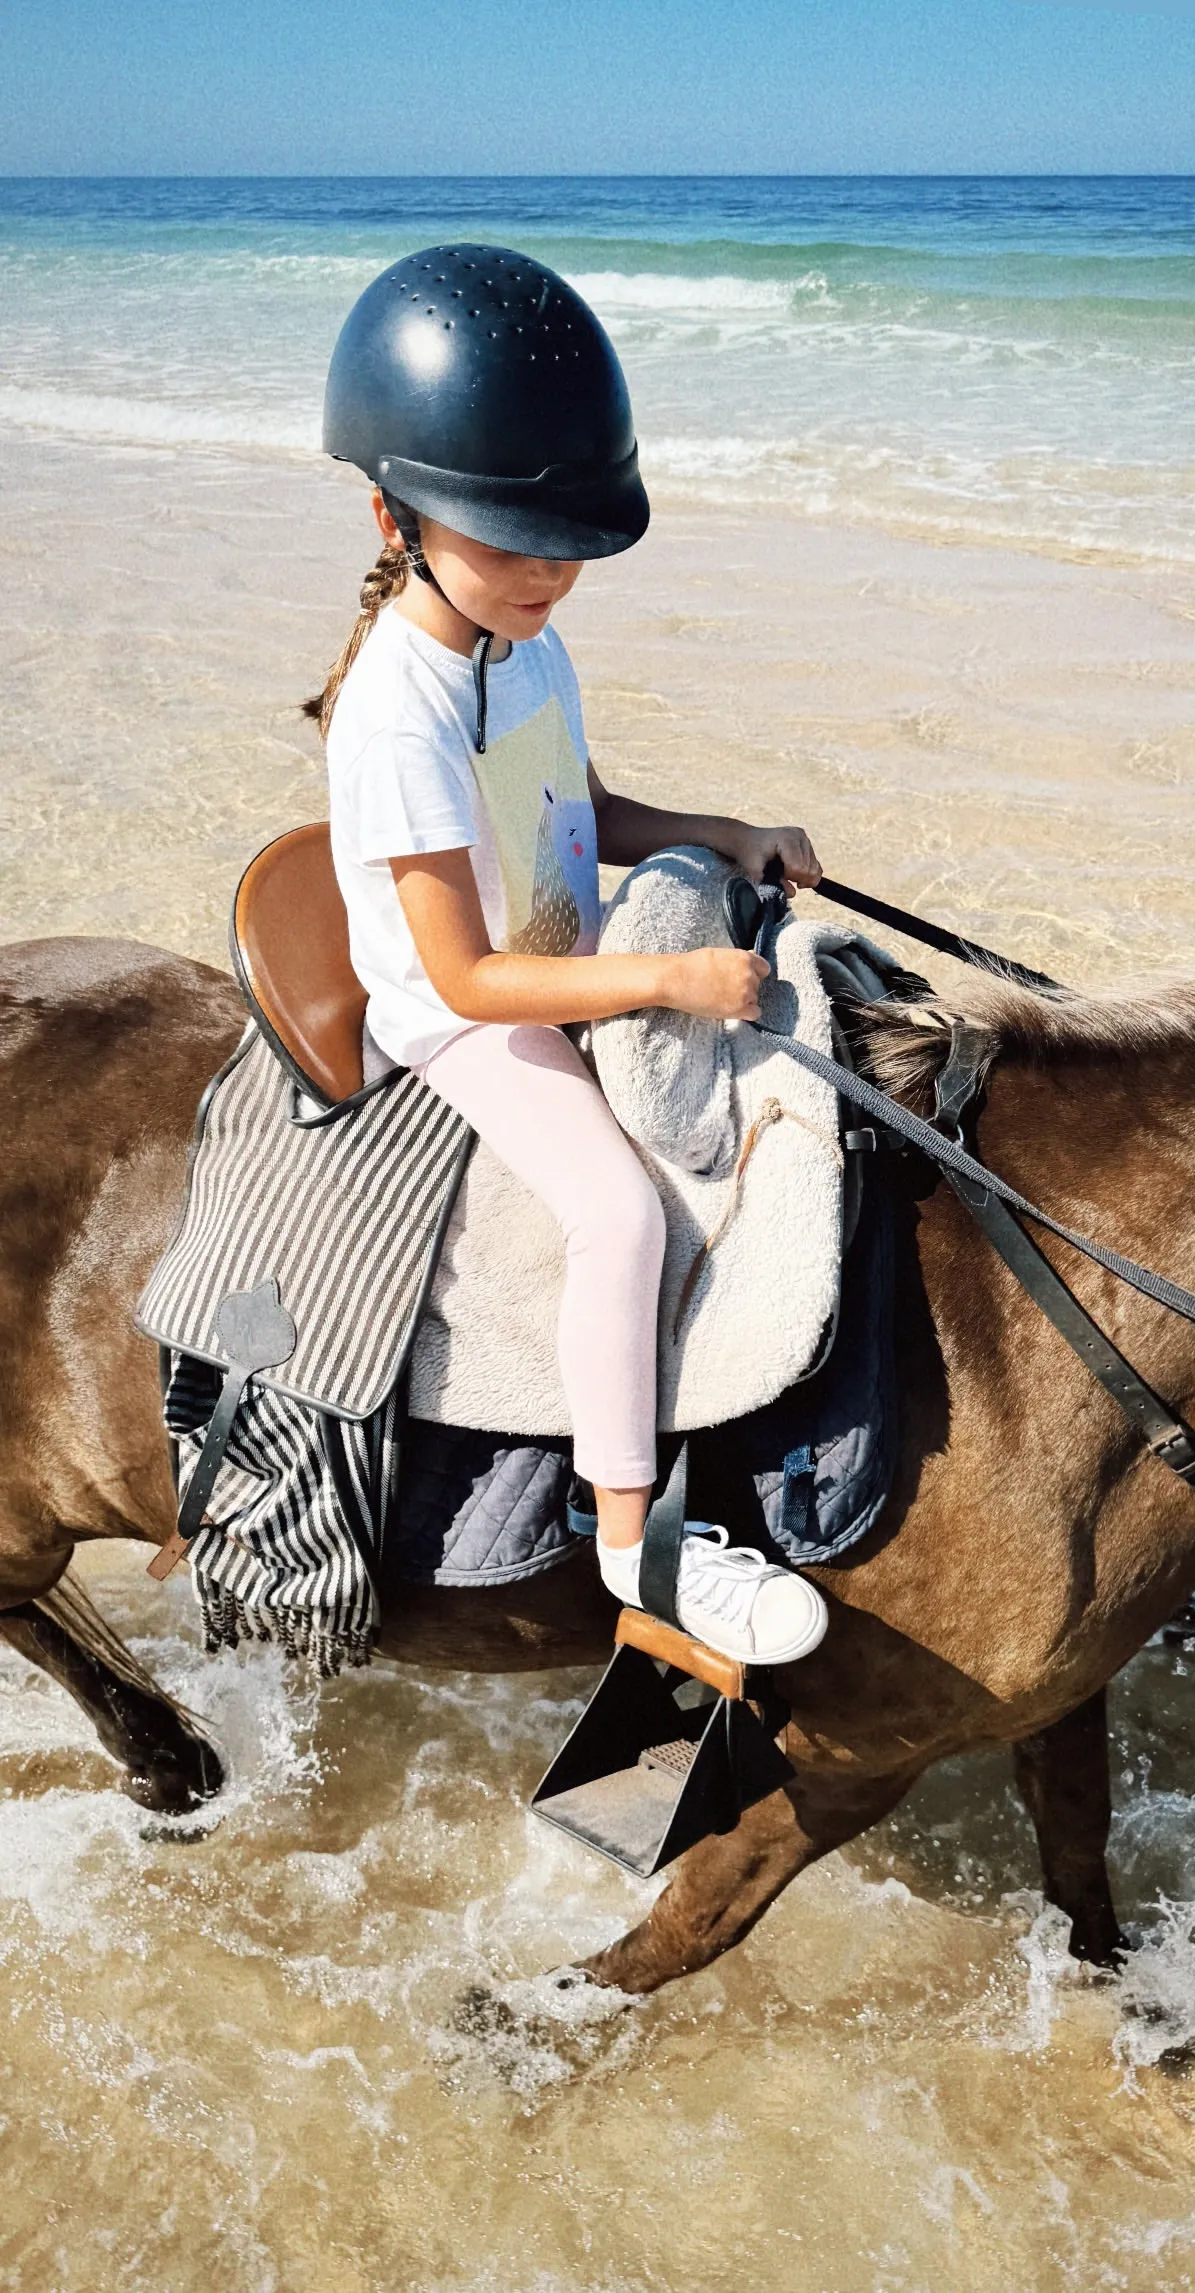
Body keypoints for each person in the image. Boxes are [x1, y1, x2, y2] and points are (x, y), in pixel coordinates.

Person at [310, 243, 829, 1667]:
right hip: (466, 1017)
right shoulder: (396, 713)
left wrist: (720, 832)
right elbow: (470, 982)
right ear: (394, 515)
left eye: (566, 549)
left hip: (559, 938)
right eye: (513, 540)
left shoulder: (519, 641)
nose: (549, 573)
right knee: (620, 1210)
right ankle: (628, 1538)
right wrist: (662, 980)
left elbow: (580, 812)